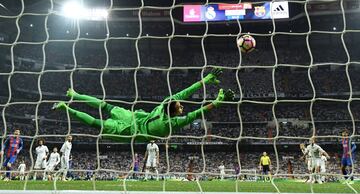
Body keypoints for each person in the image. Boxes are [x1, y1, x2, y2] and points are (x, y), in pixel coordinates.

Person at [52, 69, 234, 142]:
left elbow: (184, 94)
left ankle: (75, 96)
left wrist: (204, 81)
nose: (181, 105)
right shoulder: (170, 124)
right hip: (131, 131)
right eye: (180, 106)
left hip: (133, 118)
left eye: (179, 105)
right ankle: (68, 107)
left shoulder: (165, 104)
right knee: (97, 122)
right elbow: (196, 112)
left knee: (103, 109)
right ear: (175, 112)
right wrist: (216, 103)